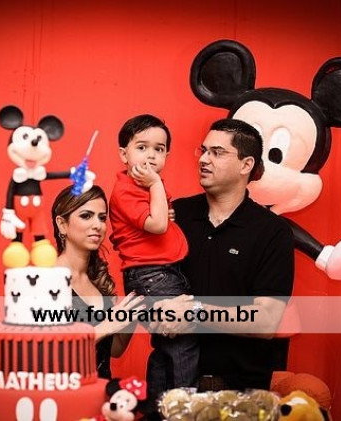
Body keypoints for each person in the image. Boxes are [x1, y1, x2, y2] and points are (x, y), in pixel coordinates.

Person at [152, 118, 295, 392]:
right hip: (169, 385)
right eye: (203, 150)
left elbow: (266, 321)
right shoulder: (176, 215)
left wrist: (195, 312)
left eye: (217, 153)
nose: (204, 159)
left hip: (238, 393)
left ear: (246, 164)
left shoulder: (272, 231)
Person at [109, 115, 199, 406]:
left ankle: (157, 410)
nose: (151, 155)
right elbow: (158, 225)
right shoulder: (125, 189)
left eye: (159, 149)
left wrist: (160, 203)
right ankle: (184, 410)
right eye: (142, 147)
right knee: (183, 341)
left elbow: (158, 218)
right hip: (152, 276)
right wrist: (157, 185)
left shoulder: (143, 188)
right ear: (124, 154)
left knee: (166, 344)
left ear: (166, 156)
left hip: (159, 273)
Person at [51, 185, 145, 379]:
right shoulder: (46, 280)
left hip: (100, 392)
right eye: (86, 216)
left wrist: (133, 311)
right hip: (64, 393)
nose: (98, 225)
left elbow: (114, 350)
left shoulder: (97, 280)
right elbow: (50, 352)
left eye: (102, 218)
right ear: (62, 224)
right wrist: (107, 325)